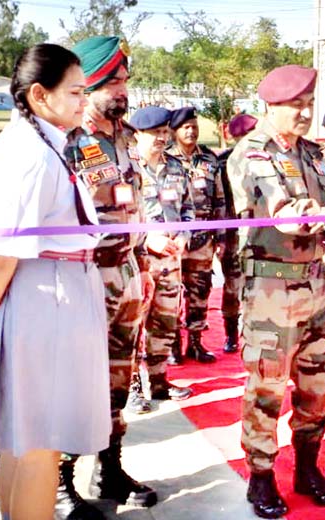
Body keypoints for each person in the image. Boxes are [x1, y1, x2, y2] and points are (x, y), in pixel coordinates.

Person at [0, 43, 112, 520]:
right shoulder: (30, 154)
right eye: (74, 92)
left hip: (46, 294)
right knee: (39, 444)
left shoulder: (37, 145)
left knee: (22, 440)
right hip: (45, 297)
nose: (83, 101)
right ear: (39, 94)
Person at [227, 64, 325, 519]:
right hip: (272, 290)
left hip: (316, 286)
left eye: (309, 104)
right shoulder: (253, 153)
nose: (306, 113)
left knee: (317, 383)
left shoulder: (312, 153)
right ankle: (261, 477)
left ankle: (307, 468)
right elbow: (285, 213)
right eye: (296, 105)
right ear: (270, 107)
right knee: (267, 388)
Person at [61, 35, 158, 519]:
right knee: (78, 379)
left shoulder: (122, 137)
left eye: (125, 80)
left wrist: (142, 260)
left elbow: (129, 204)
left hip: (126, 272)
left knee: (118, 377)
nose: (123, 90)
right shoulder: (69, 140)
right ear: (90, 84)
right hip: (86, 277)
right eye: (113, 82)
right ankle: (59, 482)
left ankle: (109, 469)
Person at [128, 105, 194, 400]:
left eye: (165, 132)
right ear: (138, 134)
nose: (162, 138)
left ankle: (158, 381)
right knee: (133, 324)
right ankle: (132, 386)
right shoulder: (127, 168)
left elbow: (188, 208)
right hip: (139, 260)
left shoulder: (176, 167)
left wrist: (183, 236)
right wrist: (146, 240)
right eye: (155, 132)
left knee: (165, 322)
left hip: (170, 259)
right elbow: (119, 217)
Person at [167, 106, 224, 363]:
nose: (191, 131)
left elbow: (220, 199)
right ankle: (172, 345)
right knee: (171, 292)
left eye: (194, 127)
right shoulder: (166, 159)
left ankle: (195, 342)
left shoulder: (209, 159)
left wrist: (220, 236)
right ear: (175, 131)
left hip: (203, 238)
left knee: (200, 290)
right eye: (185, 127)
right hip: (174, 239)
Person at [215, 113, 258, 354]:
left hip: (261, 232)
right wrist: (220, 236)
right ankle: (231, 333)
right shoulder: (223, 163)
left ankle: (254, 333)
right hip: (234, 234)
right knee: (232, 286)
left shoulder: (265, 159)